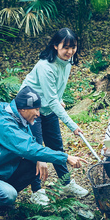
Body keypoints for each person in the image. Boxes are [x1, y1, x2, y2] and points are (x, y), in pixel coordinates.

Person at [0, 86, 88, 220]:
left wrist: (39, 158)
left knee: (35, 163)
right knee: (9, 195)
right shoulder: (4, 124)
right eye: (36, 109)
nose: (38, 114)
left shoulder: (21, 121)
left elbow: (32, 144)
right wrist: (65, 157)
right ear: (22, 109)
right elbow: (28, 148)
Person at [20, 28, 89, 205]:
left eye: (73, 47)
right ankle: (37, 191)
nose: (70, 51)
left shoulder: (68, 61)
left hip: (48, 107)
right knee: (35, 149)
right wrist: (72, 124)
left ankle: (65, 183)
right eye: (65, 47)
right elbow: (50, 98)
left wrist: (59, 99)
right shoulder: (45, 66)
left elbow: (56, 89)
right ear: (55, 45)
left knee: (56, 146)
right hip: (30, 109)